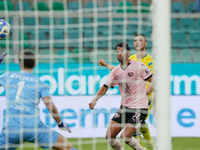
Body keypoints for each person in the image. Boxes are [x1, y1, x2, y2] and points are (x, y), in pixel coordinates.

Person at [0, 51, 76, 150]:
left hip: (11, 129)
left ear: (19, 64)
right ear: (35, 64)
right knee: (67, 147)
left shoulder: (7, 76)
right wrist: (60, 123)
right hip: (34, 128)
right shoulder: (40, 84)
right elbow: (49, 105)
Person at [89, 42, 153, 150]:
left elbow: (154, 81)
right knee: (109, 136)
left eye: (122, 51)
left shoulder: (139, 66)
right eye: (117, 52)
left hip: (140, 108)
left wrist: (147, 92)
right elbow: (105, 86)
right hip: (125, 107)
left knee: (125, 136)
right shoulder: (116, 71)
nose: (119, 54)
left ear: (128, 53)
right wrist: (94, 100)